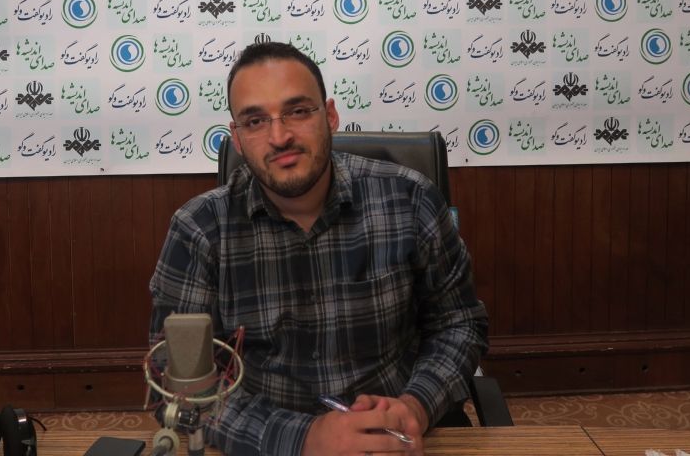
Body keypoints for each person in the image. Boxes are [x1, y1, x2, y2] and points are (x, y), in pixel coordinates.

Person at [149, 41, 489, 456]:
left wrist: (416, 405)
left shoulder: (410, 200)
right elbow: (175, 385)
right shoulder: (198, 230)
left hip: (398, 441)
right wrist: (305, 437)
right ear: (237, 138)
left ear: (329, 116)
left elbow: (459, 323)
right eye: (255, 121)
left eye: (297, 111)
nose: (280, 137)